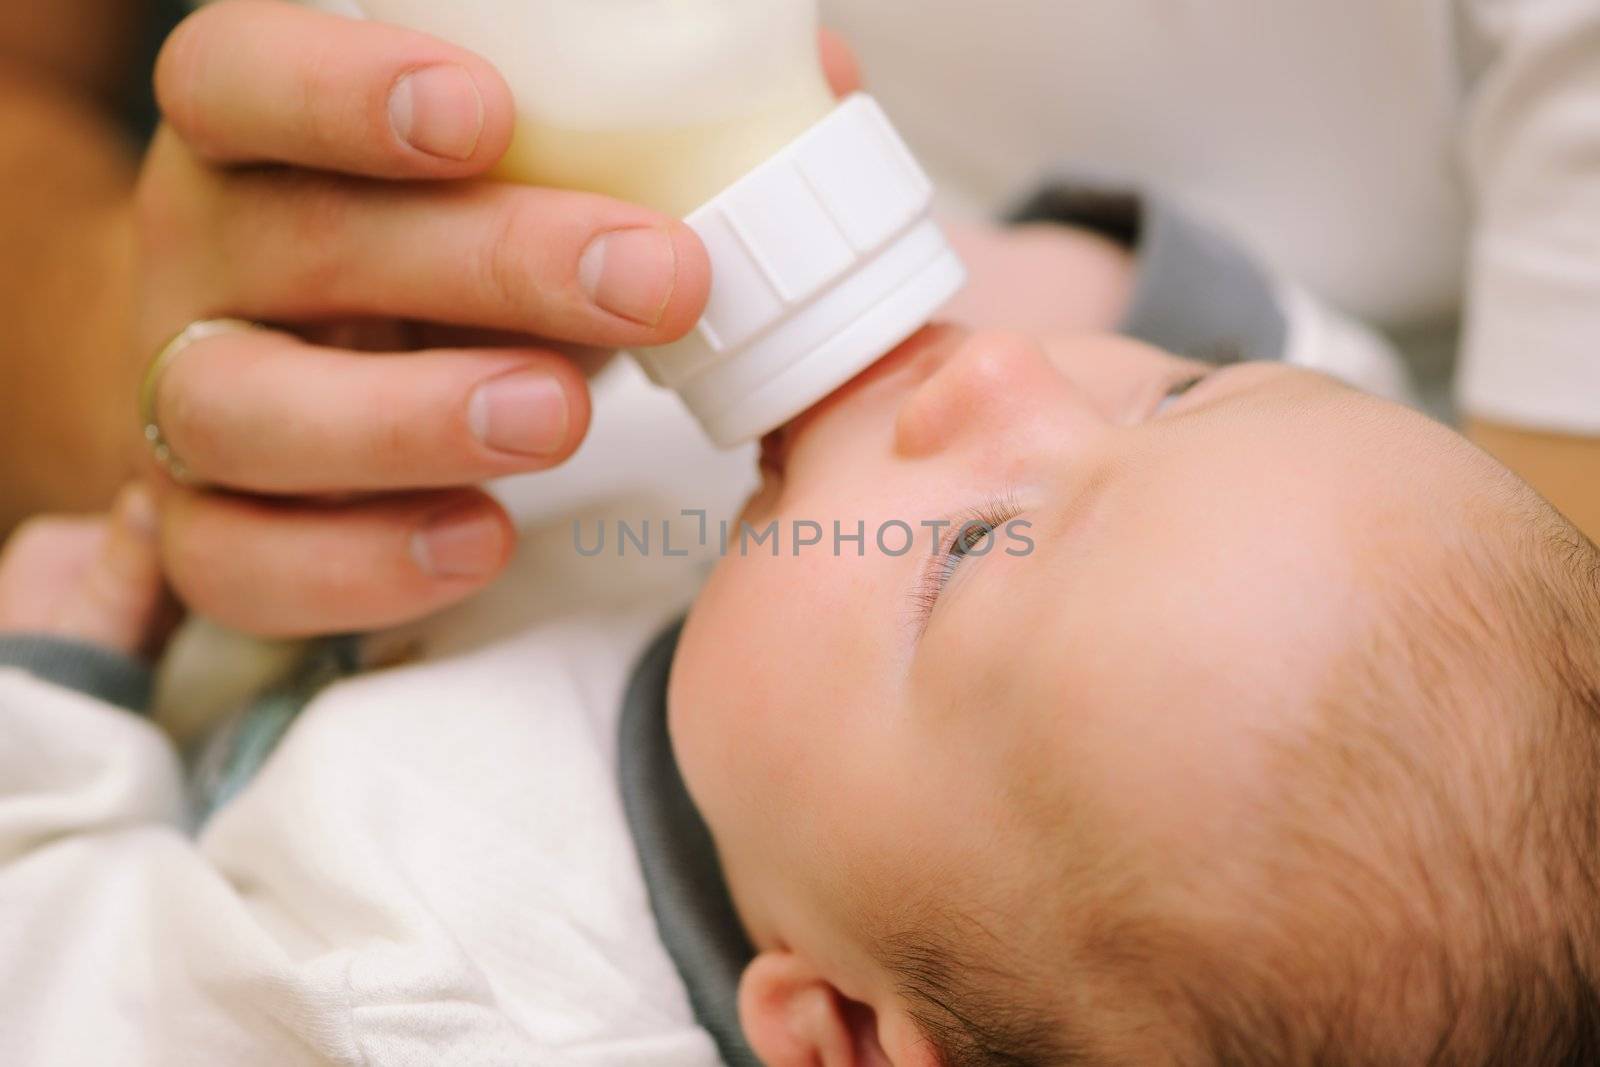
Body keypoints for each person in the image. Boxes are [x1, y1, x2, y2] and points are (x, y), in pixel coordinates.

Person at [3, 325, 1598, 1066]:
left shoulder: (427, 992)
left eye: (974, 549)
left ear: (830, 1029)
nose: (1001, 373)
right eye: (1180, 387)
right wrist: (1115, 259)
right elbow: (1345, 374)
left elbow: (64, 1001)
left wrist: (55, 715)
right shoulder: (859, 715)